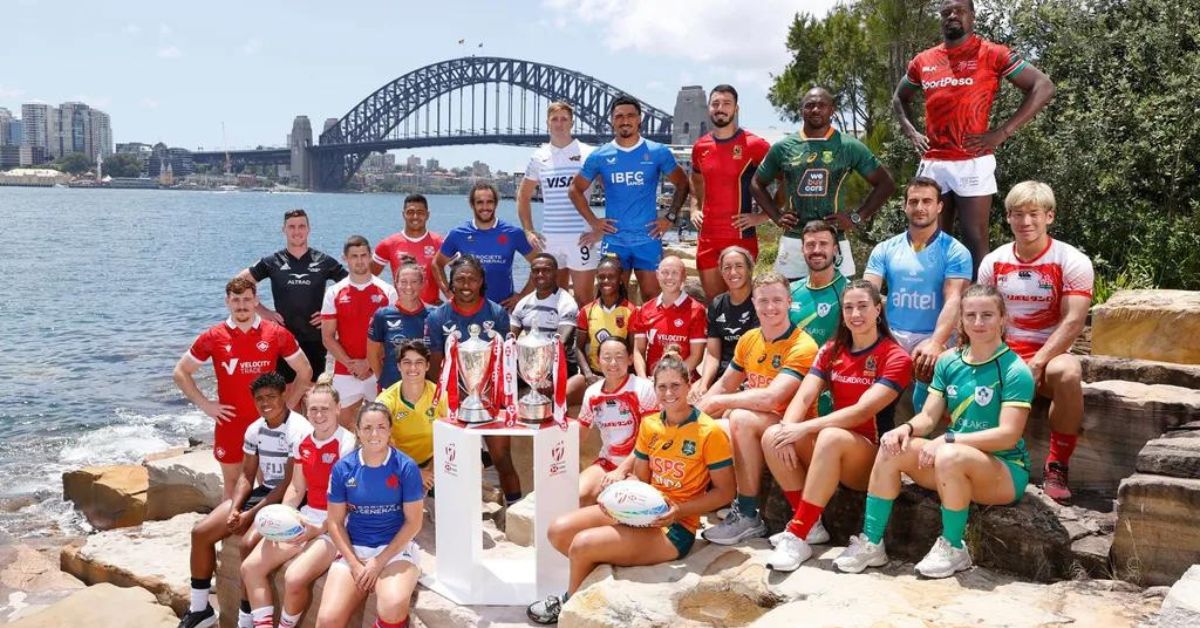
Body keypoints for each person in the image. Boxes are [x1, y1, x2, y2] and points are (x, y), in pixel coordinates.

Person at [834, 285, 1035, 579]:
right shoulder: (950, 361)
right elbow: (928, 416)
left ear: (1003, 319)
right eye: (971, 315)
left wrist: (948, 438)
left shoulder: (1015, 369)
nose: (978, 322)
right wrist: (906, 428)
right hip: (953, 464)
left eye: (987, 315)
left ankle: (954, 547)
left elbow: (1007, 434)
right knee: (892, 446)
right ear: (961, 321)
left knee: (950, 454)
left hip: (1003, 472)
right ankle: (872, 542)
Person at [526, 348, 735, 625]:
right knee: (558, 531)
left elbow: (726, 492)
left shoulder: (710, 432)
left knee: (582, 545)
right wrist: (619, 497)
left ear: (688, 385)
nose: (669, 392)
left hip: (675, 527)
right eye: (662, 386)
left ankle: (568, 603)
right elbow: (641, 479)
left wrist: (678, 510)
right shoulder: (650, 425)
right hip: (640, 513)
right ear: (655, 388)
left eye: (675, 385)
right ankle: (607, 561)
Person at [760, 280, 913, 570]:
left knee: (830, 436)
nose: (856, 314)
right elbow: (804, 395)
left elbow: (862, 411)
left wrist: (804, 429)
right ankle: (810, 524)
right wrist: (788, 430)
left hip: (870, 458)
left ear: (878, 310)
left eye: (863, 306)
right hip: (832, 446)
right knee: (772, 435)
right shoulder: (832, 349)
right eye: (848, 307)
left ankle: (797, 533)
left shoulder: (896, 357)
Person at [895, 0, 1055, 275]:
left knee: (975, 239)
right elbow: (899, 98)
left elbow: (1044, 87)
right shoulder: (924, 60)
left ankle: (978, 308)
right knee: (932, 237)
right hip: (934, 162)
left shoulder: (993, 53)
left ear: (972, 16)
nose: (952, 16)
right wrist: (912, 132)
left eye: (959, 11)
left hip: (973, 159)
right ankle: (936, 301)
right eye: (946, 12)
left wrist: (1002, 132)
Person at [977, 181, 1092, 503]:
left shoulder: (1071, 260)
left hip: (1048, 349)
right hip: (1002, 349)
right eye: (1017, 214)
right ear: (1008, 218)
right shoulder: (994, 261)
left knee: (1069, 373)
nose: (1025, 222)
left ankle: (1057, 465)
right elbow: (981, 313)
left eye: (1033, 214)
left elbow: (1074, 321)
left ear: (1049, 217)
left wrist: (1039, 361)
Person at [177, 373, 312, 628]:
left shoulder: (299, 429)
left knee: (247, 544)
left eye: (271, 396)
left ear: (284, 396)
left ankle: (246, 618)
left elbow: (288, 483)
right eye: (259, 399)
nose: (265, 403)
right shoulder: (254, 429)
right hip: (265, 492)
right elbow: (247, 476)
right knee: (200, 532)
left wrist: (250, 516)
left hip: (293, 496)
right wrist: (237, 508)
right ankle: (199, 609)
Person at [696, 273, 819, 545]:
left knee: (738, 416)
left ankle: (753, 514)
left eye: (777, 300)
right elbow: (726, 384)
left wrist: (720, 403)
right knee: (711, 427)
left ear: (790, 302)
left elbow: (772, 399)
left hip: (800, 435)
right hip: (768, 427)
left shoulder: (803, 344)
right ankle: (700, 499)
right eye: (763, 300)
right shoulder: (749, 338)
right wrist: (693, 415)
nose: (770, 307)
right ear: (753, 303)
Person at [174, 277, 311, 498]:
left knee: (269, 484)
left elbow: (305, 371)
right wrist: (206, 405)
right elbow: (181, 372)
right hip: (230, 423)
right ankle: (230, 531)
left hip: (268, 424)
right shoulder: (213, 336)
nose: (242, 305)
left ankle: (265, 530)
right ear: (227, 301)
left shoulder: (275, 333)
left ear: (256, 301)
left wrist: (288, 405)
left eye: (247, 299)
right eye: (236, 300)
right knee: (232, 484)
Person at [239, 382, 357, 628]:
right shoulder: (303, 442)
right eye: (313, 409)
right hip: (307, 516)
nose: (319, 415)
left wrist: (318, 529)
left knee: (294, 578)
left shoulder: (348, 444)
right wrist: (282, 518)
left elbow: (345, 500)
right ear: (306, 409)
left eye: (325, 408)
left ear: (338, 408)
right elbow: (296, 488)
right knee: (250, 568)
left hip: (337, 524)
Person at [752, 87, 896, 282]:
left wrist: (856, 217)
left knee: (841, 303)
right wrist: (776, 216)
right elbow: (756, 183)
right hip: (794, 239)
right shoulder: (784, 147)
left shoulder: (848, 146)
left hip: (835, 239)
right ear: (802, 110)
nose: (815, 110)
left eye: (822, 105)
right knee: (791, 304)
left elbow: (886, 183)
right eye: (810, 105)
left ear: (832, 110)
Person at [864, 177, 972, 413]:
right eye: (913, 201)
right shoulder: (885, 248)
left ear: (939, 206)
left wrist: (936, 342)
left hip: (932, 335)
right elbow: (867, 294)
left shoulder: (955, 251)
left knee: (927, 364)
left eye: (927, 201)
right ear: (905, 207)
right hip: (892, 335)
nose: (920, 207)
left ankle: (922, 435)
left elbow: (954, 299)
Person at [569, 95, 691, 301]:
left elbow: (683, 183)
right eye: (619, 116)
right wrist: (594, 221)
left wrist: (669, 217)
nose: (625, 120)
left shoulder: (657, 151)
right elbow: (575, 189)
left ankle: (645, 334)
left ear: (639, 119)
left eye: (630, 115)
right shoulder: (600, 155)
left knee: (653, 297)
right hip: (614, 239)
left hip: (648, 238)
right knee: (613, 297)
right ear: (612, 121)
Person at [425, 255, 523, 504]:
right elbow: (436, 364)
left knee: (502, 459)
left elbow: (505, 360)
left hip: (491, 400)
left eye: (472, 279)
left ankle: (512, 511)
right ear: (451, 282)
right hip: (454, 401)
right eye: (460, 279)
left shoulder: (497, 313)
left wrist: (500, 398)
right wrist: (443, 401)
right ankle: (449, 511)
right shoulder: (438, 317)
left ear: (481, 282)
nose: (466, 285)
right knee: (451, 460)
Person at [317, 403, 425, 628]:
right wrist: (355, 564)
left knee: (392, 607)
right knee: (327, 620)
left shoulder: (406, 467)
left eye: (381, 427)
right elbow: (335, 523)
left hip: (395, 550)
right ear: (357, 430)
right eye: (367, 428)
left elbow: (414, 522)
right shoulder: (342, 468)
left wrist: (379, 562)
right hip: (355, 550)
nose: (374, 434)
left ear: (390, 430)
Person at [237, 209, 347, 392]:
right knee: (285, 392)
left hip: (314, 338)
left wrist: (331, 315)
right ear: (284, 230)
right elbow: (240, 282)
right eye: (292, 227)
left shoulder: (323, 261)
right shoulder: (273, 261)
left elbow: (351, 287)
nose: (297, 231)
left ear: (309, 229)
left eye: (301, 226)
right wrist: (263, 311)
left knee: (311, 392)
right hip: (283, 337)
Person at [689, 85, 772, 299]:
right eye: (715, 104)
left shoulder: (756, 145)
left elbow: (786, 181)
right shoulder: (700, 146)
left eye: (726, 103)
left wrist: (763, 216)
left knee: (741, 303)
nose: (720, 108)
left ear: (736, 108)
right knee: (715, 305)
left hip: (740, 236)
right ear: (709, 108)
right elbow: (696, 178)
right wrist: (694, 208)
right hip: (707, 237)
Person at [517, 102, 599, 305]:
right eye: (555, 119)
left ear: (572, 123)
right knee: (554, 299)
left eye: (564, 119)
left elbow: (614, 192)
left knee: (583, 300)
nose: (559, 123)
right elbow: (523, 196)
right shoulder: (538, 157)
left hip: (581, 238)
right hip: (550, 239)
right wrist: (528, 231)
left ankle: (582, 337)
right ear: (547, 123)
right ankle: (558, 338)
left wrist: (601, 229)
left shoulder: (589, 153)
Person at [322, 235, 399, 430]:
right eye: (354, 256)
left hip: (378, 371)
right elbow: (328, 337)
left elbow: (391, 336)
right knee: (344, 430)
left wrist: (369, 364)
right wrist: (351, 364)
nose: (359, 260)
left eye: (364, 255)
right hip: (346, 370)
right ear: (345, 258)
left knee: (384, 426)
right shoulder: (334, 292)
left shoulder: (387, 291)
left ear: (370, 256)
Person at [576, 337, 660, 504]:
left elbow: (650, 438)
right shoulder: (592, 393)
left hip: (642, 465)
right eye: (607, 357)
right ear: (598, 361)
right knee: (578, 495)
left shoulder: (643, 388)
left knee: (619, 502)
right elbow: (579, 433)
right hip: (607, 462)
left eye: (619, 357)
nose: (613, 363)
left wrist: (623, 469)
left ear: (630, 359)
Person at [434, 182, 537, 309]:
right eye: (480, 202)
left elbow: (538, 264)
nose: (485, 207)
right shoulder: (458, 234)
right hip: (467, 308)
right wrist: (449, 294)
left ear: (495, 204)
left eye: (489, 202)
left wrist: (522, 297)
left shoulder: (513, 233)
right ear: (472, 205)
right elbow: (437, 264)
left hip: (502, 309)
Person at [510, 253, 586, 405]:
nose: (540, 274)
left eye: (546, 270)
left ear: (556, 273)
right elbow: (510, 338)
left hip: (558, 366)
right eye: (536, 270)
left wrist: (543, 377)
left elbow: (560, 343)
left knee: (548, 402)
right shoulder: (523, 303)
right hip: (529, 365)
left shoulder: (566, 303)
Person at [376, 339, 447, 492]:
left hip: (433, 462)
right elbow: (380, 444)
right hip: (396, 464)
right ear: (398, 366)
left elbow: (450, 439)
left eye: (419, 362)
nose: (413, 368)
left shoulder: (441, 396)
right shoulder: (385, 401)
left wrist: (431, 471)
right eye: (407, 362)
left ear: (427, 366)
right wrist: (414, 472)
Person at [695, 247, 759, 400]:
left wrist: (732, 387)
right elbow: (712, 355)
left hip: (747, 379)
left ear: (750, 268)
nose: (733, 272)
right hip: (721, 377)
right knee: (688, 399)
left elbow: (754, 355)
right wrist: (704, 385)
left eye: (739, 266)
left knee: (704, 412)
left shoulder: (759, 301)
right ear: (721, 272)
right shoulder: (717, 304)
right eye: (727, 267)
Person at [630, 256, 706, 379]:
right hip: (651, 380)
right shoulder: (645, 309)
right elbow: (639, 350)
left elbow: (696, 356)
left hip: (684, 379)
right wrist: (643, 380)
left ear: (684, 277)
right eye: (665, 272)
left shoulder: (696, 310)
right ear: (657, 275)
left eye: (675, 273)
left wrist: (671, 379)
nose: (669, 277)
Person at [367, 261, 432, 391]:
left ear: (422, 284)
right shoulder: (382, 315)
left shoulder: (434, 315)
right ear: (396, 284)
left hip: (425, 389)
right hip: (391, 387)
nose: (408, 287)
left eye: (414, 282)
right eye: (403, 282)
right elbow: (373, 354)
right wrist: (382, 379)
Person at [371, 194, 444, 306]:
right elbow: (368, 277)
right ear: (403, 215)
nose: (415, 216)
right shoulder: (388, 244)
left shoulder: (439, 242)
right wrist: (383, 298)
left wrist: (451, 298)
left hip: (431, 312)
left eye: (420, 212)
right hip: (401, 312)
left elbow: (460, 270)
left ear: (427, 215)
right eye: (410, 212)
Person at [575, 256, 636, 385]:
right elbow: (578, 348)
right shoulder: (586, 311)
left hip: (621, 375)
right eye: (602, 277)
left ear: (620, 279)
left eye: (611, 276)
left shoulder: (631, 311)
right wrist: (588, 375)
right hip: (594, 375)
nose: (606, 280)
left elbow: (633, 349)